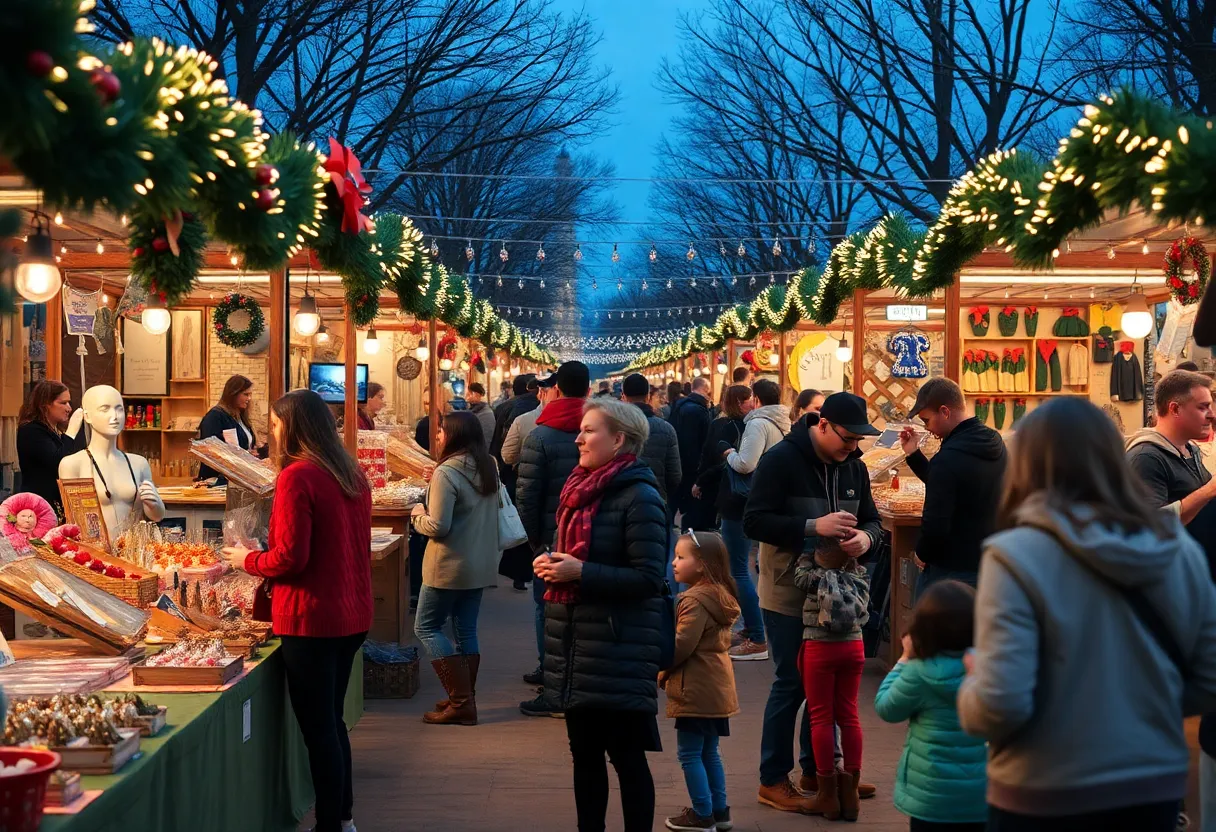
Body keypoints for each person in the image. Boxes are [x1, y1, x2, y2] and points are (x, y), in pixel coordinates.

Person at [958, 397, 1216, 832]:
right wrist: (1140, 704)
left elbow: (999, 704)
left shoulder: (1014, 555)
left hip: (1042, 784)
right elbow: (1210, 678)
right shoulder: (1176, 547)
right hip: (1149, 781)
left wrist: (972, 680)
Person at [219, 390, 371, 832]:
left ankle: (330, 824)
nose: (272, 431)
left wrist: (245, 560)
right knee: (333, 721)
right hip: (351, 611)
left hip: (311, 617)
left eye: (276, 422)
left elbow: (290, 559)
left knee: (319, 728)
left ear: (292, 427)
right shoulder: (351, 472)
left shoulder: (297, 476)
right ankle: (342, 818)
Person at [533, 397, 667, 832]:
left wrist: (581, 571)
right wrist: (554, 563)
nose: (578, 438)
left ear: (620, 440)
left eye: (590, 430)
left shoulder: (641, 497)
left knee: (627, 757)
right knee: (584, 755)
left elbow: (649, 578)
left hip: (619, 645)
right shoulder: (578, 488)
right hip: (577, 644)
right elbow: (578, 556)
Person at [744, 393, 882, 812]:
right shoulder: (781, 460)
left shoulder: (854, 466)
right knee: (793, 683)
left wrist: (868, 538)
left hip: (840, 599)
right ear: (822, 424)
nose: (852, 447)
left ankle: (819, 770)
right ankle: (772, 779)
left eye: (859, 440)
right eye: (847, 438)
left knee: (826, 688)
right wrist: (811, 526)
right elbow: (755, 520)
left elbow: (873, 518)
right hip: (789, 592)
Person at [409, 411, 500, 726]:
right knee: (466, 630)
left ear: (454, 435)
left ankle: (461, 700)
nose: (436, 437)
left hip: (448, 565)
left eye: (441, 431)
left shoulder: (446, 472)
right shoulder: (488, 464)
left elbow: (438, 526)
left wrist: (417, 514)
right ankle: (464, 699)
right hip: (481, 562)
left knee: (426, 627)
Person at [874, 580, 987, 831]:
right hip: (981, 796)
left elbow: (886, 707)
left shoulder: (919, 672)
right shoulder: (988, 667)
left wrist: (903, 659)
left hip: (931, 797)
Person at [517, 361, 590, 717]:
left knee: (546, 608)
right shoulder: (602, 431)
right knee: (585, 613)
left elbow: (527, 497)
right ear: (589, 391)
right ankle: (579, 683)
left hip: (550, 540)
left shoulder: (539, 435)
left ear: (556, 390)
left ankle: (553, 682)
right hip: (591, 539)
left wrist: (536, 543)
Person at [661, 530, 740, 832]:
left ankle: (702, 814)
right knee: (709, 751)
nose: (674, 563)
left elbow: (681, 645)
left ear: (703, 564)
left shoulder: (693, 600)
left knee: (690, 753)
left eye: (681, 557)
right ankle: (719, 812)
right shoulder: (720, 594)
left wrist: (661, 669)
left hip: (695, 688)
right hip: (716, 687)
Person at [898, 378, 1006, 590]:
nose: (927, 428)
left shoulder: (948, 458)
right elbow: (950, 486)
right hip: (990, 566)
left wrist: (922, 552)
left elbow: (936, 521)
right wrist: (913, 453)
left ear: (945, 412)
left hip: (950, 572)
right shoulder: (995, 442)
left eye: (926, 420)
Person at [794, 527, 872, 820]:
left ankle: (826, 793)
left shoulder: (813, 577)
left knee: (821, 718)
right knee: (849, 715)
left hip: (820, 646)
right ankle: (850, 793)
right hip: (854, 647)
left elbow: (799, 575)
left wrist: (806, 555)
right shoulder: (859, 575)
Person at [722, 378, 790, 660]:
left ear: (757, 400)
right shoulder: (783, 422)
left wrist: (729, 453)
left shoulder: (757, 423)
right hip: (771, 500)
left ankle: (758, 637)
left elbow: (746, 463)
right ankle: (757, 631)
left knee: (738, 568)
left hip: (746, 502)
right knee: (762, 566)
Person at [1126, 370, 1216, 523]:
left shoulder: (1188, 449)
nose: (1211, 415)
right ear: (1174, 409)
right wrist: (1209, 490)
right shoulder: (1146, 458)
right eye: (1202, 407)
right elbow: (1148, 526)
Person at [16, 380, 85, 518]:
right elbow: (58, 462)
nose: (69, 408)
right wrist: (71, 432)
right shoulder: (31, 430)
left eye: (69, 402)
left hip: (55, 505)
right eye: (63, 403)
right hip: (39, 507)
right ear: (45, 404)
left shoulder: (54, 430)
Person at [622, 373, 681, 505]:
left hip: (620, 501)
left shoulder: (613, 427)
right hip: (656, 500)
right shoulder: (666, 428)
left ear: (624, 397)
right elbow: (674, 475)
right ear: (648, 396)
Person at [196, 375, 267, 484]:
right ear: (233, 394)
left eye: (250, 395)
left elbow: (243, 448)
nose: (249, 399)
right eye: (246, 394)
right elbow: (210, 451)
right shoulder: (215, 416)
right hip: (217, 480)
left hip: (238, 478)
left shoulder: (240, 417)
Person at [672, 377, 714, 528]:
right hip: (693, 468)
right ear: (704, 390)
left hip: (682, 464)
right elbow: (698, 444)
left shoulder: (680, 406)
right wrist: (700, 472)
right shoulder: (697, 410)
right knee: (694, 510)